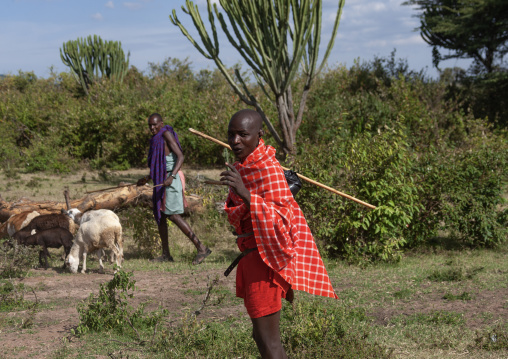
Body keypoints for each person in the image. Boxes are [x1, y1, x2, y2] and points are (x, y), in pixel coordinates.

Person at [220, 109, 337, 358]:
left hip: (266, 262)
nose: (235, 141)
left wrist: (246, 194)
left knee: (270, 342)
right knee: (260, 336)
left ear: (259, 135)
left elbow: (283, 221)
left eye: (242, 134)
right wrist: (240, 191)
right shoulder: (245, 167)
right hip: (252, 259)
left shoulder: (268, 169)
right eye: (231, 135)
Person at [137, 113, 211, 265]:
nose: (152, 127)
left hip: (172, 179)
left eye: (155, 124)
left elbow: (180, 156)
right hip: (161, 180)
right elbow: (158, 165)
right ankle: (166, 255)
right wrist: (147, 178)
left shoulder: (165, 135)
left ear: (161, 123)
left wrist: (171, 176)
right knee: (161, 216)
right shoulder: (155, 139)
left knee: (173, 215)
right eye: (150, 125)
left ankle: (201, 247)